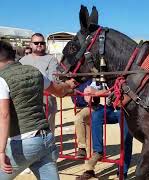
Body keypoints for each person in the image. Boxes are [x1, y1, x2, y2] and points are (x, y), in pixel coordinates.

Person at [0, 40, 75, 180]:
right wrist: (68, 86)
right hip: (46, 139)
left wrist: (0, 151)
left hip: (22, 142)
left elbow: (4, 115)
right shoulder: (35, 72)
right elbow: (58, 91)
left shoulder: (1, 79)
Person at [75, 84, 133, 180]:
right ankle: (98, 151)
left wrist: (99, 92)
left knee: (126, 139)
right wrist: (89, 90)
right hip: (110, 108)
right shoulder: (104, 75)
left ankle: (122, 173)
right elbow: (94, 87)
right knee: (96, 115)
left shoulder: (124, 76)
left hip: (125, 109)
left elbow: (124, 91)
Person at [19, 33, 59, 136]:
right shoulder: (22, 61)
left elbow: (52, 80)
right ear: (31, 45)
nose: (39, 45)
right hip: (26, 100)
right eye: (36, 43)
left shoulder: (52, 59)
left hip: (46, 99)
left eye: (42, 43)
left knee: (47, 132)